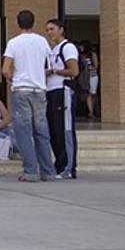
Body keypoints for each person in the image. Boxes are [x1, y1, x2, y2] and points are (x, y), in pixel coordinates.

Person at [2, 10, 57, 182]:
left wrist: (13, 79)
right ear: (33, 23)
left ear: (18, 23)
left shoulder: (14, 43)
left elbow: (5, 69)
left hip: (21, 89)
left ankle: (31, 171)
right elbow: (48, 66)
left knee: (24, 131)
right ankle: (48, 170)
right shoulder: (42, 41)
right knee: (41, 130)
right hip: (39, 90)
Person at [45, 19, 80, 179]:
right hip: (51, 91)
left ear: (61, 30)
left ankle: (68, 166)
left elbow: (74, 70)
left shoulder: (68, 47)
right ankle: (59, 163)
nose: (50, 32)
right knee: (54, 129)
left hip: (63, 90)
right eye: (47, 30)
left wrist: (55, 71)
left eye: (52, 29)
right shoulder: (53, 49)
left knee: (64, 129)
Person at [86, 43, 100, 120]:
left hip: (93, 76)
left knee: (93, 93)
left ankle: (92, 110)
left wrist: (88, 69)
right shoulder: (83, 56)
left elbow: (96, 66)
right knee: (89, 93)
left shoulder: (93, 55)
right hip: (86, 77)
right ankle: (90, 111)